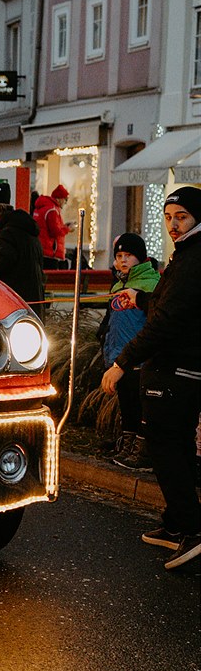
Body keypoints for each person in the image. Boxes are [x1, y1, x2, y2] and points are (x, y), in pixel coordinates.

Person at [101, 186, 201, 571]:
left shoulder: (193, 259)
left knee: (165, 445)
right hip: (178, 365)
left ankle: (191, 529)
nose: (174, 225)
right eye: (170, 217)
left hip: (177, 367)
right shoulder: (186, 255)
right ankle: (177, 523)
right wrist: (139, 299)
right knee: (172, 445)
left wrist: (122, 362)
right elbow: (167, 305)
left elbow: (168, 322)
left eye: (183, 217)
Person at [99, 232, 159, 466]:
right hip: (118, 355)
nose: (123, 260)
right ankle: (127, 442)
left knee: (139, 403)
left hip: (139, 357)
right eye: (119, 255)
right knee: (126, 403)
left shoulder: (150, 284)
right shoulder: (117, 284)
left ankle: (141, 449)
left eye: (129, 255)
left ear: (141, 258)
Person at [0, 204, 46, 313]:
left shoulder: (8, 233)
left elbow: (3, 262)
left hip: (16, 294)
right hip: (33, 293)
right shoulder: (29, 231)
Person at [34, 183, 70, 266]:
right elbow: (55, 232)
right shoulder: (52, 210)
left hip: (41, 249)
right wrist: (67, 229)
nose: (65, 202)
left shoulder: (42, 207)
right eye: (65, 200)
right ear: (59, 199)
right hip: (50, 252)